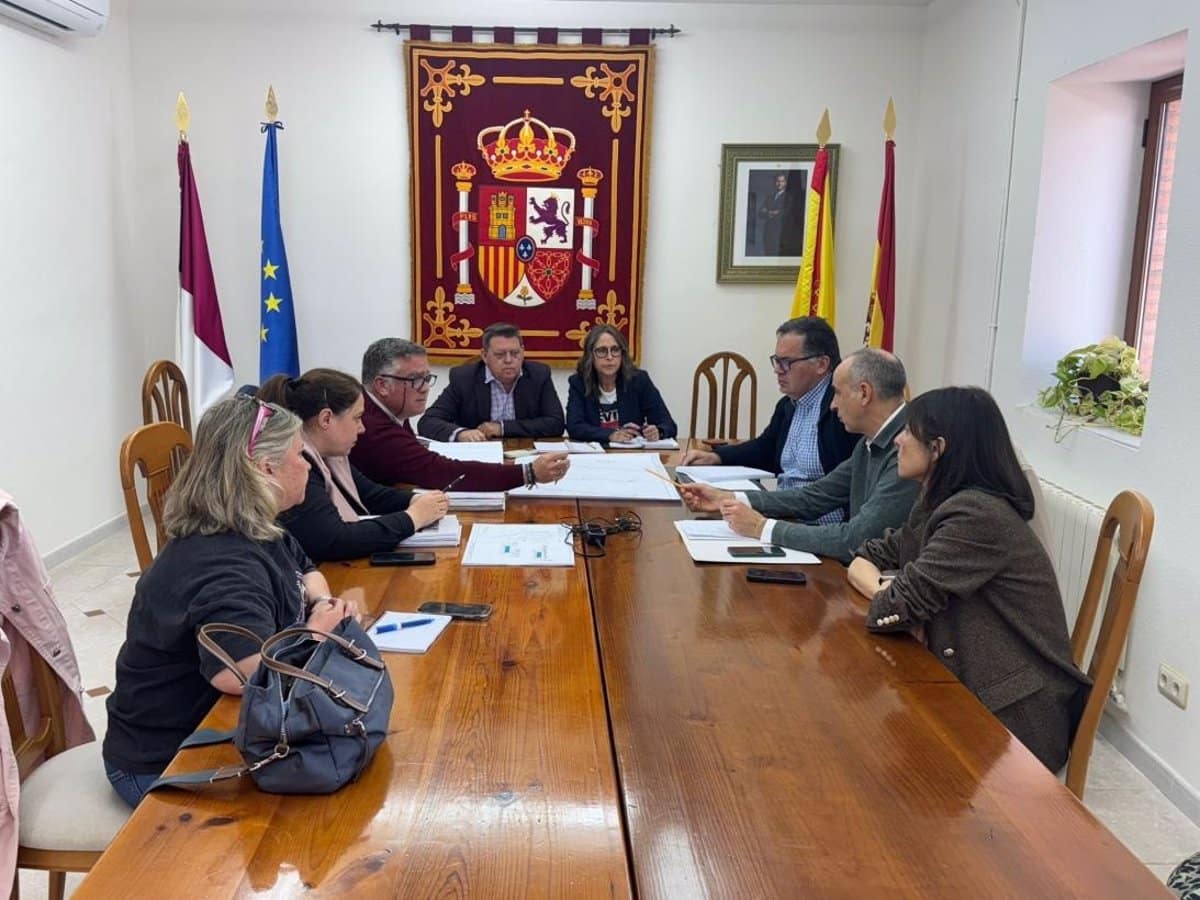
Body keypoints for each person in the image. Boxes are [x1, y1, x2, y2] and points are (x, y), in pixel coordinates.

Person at [102, 395, 361, 806]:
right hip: (167, 758)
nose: (309, 466)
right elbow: (239, 675)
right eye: (300, 455)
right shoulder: (224, 562)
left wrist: (321, 603)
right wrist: (315, 635)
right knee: (319, 814)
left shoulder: (254, 526)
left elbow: (306, 567)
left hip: (218, 728)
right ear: (266, 468)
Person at [846, 386, 1090, 772]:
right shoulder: (939, 503)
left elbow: (891, 608)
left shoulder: (975, 516)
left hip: (1015, 718)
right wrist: (886, 589)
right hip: (975, 683)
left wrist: (890, 596)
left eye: (908, 431)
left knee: (869, 753)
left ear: (938, 448)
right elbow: (867, 555)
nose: (897, 440)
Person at [679, 348, 918, 562]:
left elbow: (856, 539)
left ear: (864, 393)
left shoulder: (910, 448)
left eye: (837, 393)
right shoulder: (872, 441)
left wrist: (762, 528)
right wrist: (728, 497)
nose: (833, 405)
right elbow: (815, 496)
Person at [258, 369, 449, 563]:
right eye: (357, 418)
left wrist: (419, 500)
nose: (362, 428)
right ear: (326, 419)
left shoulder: (331, 456)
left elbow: (371, 495)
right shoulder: (297, 465)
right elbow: (335, 540)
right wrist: (413, 518)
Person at [352, 339, 570, 490]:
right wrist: (528, 472)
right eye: (415, 379)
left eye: (427, 378)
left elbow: (555, 422)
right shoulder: (373, 427)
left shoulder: (387, 411)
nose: (425, 388)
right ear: (382, 385)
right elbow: (442, 472)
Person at [681, 317, 859, 503]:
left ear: (821, 364)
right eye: (777, 361)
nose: (778, 370)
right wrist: (716, 457)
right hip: (784, 509)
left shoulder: (843, 409)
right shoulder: (788, 405)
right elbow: (765, 448)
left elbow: (848, 487)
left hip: (819, 516)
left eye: (787, 362)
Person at [417, 322, 565, 442]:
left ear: (523, 351)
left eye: (515, 353)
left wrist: (502, 428)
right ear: (484, 355)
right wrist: (461, 433)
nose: (508, 360)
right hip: (479, 456)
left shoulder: (538, 375)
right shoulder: (464, 378)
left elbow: (556, 423)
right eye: (500, 355)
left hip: (525, 452)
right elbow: (428, 421)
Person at [565, 324, 677, 445]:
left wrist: (658, 432)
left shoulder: (639, 380)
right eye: (602, 351)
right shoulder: (579, 383)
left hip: (630, 452)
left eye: (615, 350)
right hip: (596, 452)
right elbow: (574, 427)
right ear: (590, 355)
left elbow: (668, 424)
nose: (609, 357)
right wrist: (610, 435)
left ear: (622, 354)